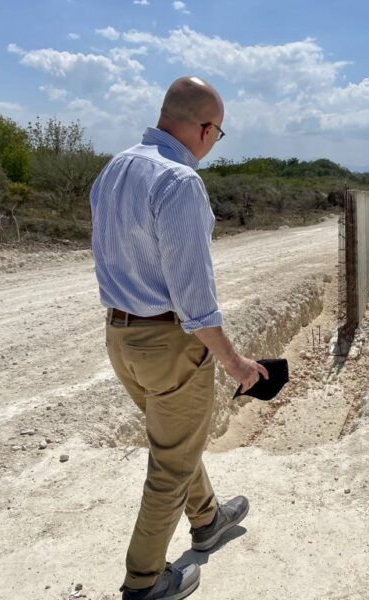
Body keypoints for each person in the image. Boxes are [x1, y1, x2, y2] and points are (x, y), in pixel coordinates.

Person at [90, 76, 269, 600]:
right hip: (168, 343)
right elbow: (194, 298)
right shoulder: (180, 181)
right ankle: (144, 582)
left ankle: (208, 519)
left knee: (176, 442)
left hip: (120, 336)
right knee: (170, 465)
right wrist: (235, 362)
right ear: (206, 128)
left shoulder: (114, 167)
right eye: (219, 134)